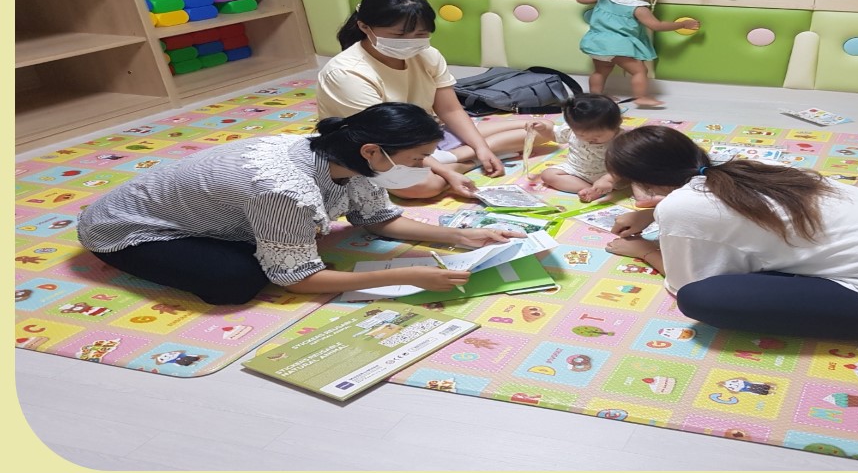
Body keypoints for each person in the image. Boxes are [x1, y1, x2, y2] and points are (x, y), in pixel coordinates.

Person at [601, 126, 858, 351]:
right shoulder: (750, 170)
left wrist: (646, 249)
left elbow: (687, 280)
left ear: (643, 183)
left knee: (701, 299)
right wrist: (652, 212)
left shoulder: (682, 206)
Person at [77, 103, 523, 306]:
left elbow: (378, 219)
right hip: (129, 228)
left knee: (299, 244)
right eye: (417, 159)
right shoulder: (286, 190)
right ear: (373, 150)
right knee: (236, 284)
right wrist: (409, 275)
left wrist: (460, 236)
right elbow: (295, 279)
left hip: (208, 211)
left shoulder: (346, 155)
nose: (424, 167)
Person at [317, 0, 535, 199]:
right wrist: (447, 172)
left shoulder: (428, 55)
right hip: (379, 149)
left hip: (427, 137)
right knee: (425, 187)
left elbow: (450, 110)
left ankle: (456, 156)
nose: (410, 42)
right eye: (398, 35)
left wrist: (481, 148)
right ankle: (463, 162)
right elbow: (385, 138)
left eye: (420, 34)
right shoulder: (347, 73)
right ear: (364, 27)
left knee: (537, 132)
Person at [576, 0, 699, 108]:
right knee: (640, 71)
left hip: (596, 43)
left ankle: (596, 96)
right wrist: (682, 24)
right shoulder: (638, 8)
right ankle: (641, 97)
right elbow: (657, 26)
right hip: (617, 45)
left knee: (600, 71)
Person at [526, 93, 625, 202]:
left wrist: (609, 179)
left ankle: (600, 188)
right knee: (548, 175)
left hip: (609, 174)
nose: (589, 140)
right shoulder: (570, 130)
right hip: (576, 170)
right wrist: (543, 129)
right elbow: (554, 135)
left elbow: (625, 165)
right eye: (581, 135)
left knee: (634, 176)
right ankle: (592, 190)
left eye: (597, 137)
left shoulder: (622, 140)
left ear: (617, 124)